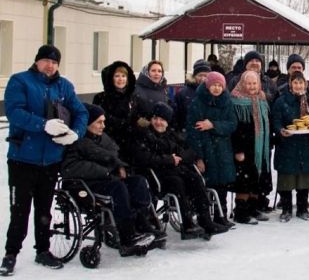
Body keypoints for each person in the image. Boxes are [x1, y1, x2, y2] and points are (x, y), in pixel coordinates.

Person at [1, 45, 89, 276]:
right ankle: (11, 254)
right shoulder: (20, 81)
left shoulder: (64, 86)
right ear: (37, 61)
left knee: (44, 209)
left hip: (51, 159)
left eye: (55, 62)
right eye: (46, 61)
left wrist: (76, 133)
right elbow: (14, 112)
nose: (50, 66)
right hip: (23, 159)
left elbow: (81, 112)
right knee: (20, 210)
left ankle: (43, 250)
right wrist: (42, 124)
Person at [61, 104, 158, 257]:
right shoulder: (76, 142)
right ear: (88, 123)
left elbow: (113, 154)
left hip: (108, 179)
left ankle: (142, 223)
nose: (103, 126)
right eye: (99, 122)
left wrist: (119, 165)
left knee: (137, 182)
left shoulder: (102, 138)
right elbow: (72, 167)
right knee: (119, 189)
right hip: (86, 184)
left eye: (104, 121)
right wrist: (106, 170)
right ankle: (127, 236)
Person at [130, 102, 228, 239]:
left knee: (195, 178)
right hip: (158, 175)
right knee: (177, 182)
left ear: (168, 122)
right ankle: (187, 224)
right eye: (155, 118)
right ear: (151, 119)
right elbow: (143, 157)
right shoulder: (144, 135)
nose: (158, 122)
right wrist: (169, 159)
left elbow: (190, 151)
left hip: (178, 170)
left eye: (162, 120)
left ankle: (205, 220)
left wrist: (180, 157)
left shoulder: (172, 135)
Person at [185, 72, 238, 228]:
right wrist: (198, 157)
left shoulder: (227, 101)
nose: (217, 88)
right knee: (207, 184)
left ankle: (221, 215)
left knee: (222, 184)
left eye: (220, 85)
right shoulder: (197, 102)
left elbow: (232, 124)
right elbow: (193, 131)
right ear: (208, 85)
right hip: (205, 147)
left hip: (223, 149)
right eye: (214, 85)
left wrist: (213, 125)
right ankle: (206, 217)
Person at [271, 72, 309, 222]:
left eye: (301, 83)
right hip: (287, 145)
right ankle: (286, 209)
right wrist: (281, 131)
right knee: (286, 178)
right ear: (290, 84)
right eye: (295, 83)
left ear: (306, 84)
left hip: (307, 145)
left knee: (304, 178)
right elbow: (276, 121)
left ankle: (302, 209)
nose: (298, 86)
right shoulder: (281, 101)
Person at [230, 71, 272, 225]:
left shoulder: (262, 99)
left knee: (256, 178)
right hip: (244, 147)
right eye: (249, 83)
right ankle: (241, 212)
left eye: (255, 83)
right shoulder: (235, 101)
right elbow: (234, 128)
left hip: (259, 147)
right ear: (242, 83)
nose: (252, 86)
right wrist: (238, 150)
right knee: (244, 180)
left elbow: (268, 121)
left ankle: (253, 208)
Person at [92, 60, 136, 159]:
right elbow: (102, 118)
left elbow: (136, 116)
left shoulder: (133, 97)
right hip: (109, 142)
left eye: (123, 76)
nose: (121, 79)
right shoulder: (101, 97)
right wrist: (123, 123)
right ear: (111, 78)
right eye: (117, 76)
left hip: (131, 143)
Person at [174, 59, 212, 134]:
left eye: (206, 76)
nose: (203, 79)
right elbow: (176, 117)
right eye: (200, 75)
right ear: (194, 76)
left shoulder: (214, 92)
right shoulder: (182, 93)